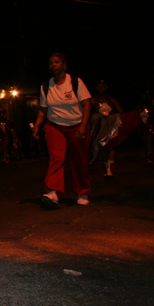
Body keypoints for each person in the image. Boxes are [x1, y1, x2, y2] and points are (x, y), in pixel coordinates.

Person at [32, 53, 92, 208]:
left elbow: (86, 105)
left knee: (79, 160)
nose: (53, 65)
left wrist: (83, 126)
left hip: (76, 126)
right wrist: (37, 125)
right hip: (55, 126)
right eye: (51, 63)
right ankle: (52, 192)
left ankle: (83, 192)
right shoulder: (46, 86)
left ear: (64, 64)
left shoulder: (75, 82)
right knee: (56, 157)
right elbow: (43, 110)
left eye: (57, 62)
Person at [90, 80, 123, 177]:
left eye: (102, 87)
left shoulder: (112, 100)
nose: (100, 89)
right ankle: (106, 167)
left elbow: (121, 111)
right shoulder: (93, 101)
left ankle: (110, 164)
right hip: (100, 127)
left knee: (112, 145)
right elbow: (88, 113)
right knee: (102, 145)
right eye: (98, 87)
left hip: (111, 126)